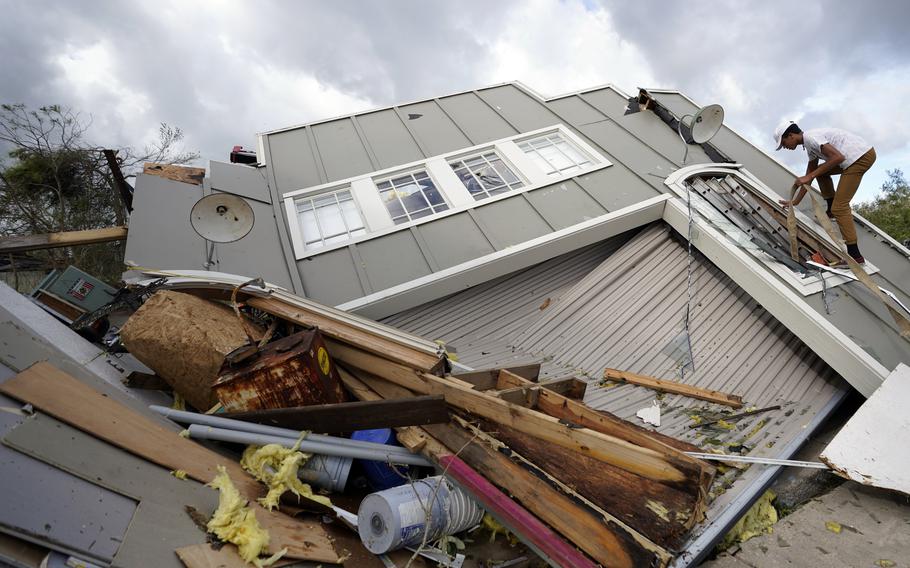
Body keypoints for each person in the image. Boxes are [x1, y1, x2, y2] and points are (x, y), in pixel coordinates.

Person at [773, 121, 876, 264]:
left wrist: (809, 176)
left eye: (783, 143)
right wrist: (795, 201)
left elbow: (838, 158)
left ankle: (855, 256)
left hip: (860, 157)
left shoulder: (811, 138)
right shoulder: (808, 145)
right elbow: (810, 174)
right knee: (820, 173)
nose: (784, 147)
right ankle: (831, 209)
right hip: (856, 156)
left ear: (791, 135)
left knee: (840, 207)